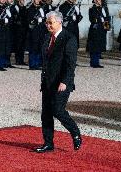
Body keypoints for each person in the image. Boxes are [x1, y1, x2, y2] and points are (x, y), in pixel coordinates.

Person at [33, 11, 81, 153]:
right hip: (48, 81)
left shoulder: (69, 38)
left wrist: (65, 81)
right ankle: (48, 143)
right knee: (46, 113)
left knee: (58, 110)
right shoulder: (47, 37)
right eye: (46, 22)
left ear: (59, 22)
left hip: (62, 82)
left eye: (50, 22)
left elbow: (70, 64)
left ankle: (75, 132)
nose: (48, 25)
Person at [27, 0, 46, 70]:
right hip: (33, 31)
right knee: (33, 48)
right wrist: (35, 19)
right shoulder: (30, 9)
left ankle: (37, 63)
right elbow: (29, 20)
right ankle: (32, 64)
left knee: (39, 47)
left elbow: (44, 19)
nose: (37, 0)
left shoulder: (41, 8)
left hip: (40, 30)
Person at [86, 0, 107, 68]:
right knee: (94, 46)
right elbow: (92, 19)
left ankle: (97, 62)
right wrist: (98, 9)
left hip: (101, 29)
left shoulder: (101, 8)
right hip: (95, 29)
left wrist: (106, 27)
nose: (100, 1)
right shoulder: (92, 8)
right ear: (95, 0)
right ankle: (93, 62)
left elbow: (105, 18)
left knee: (99, 45)